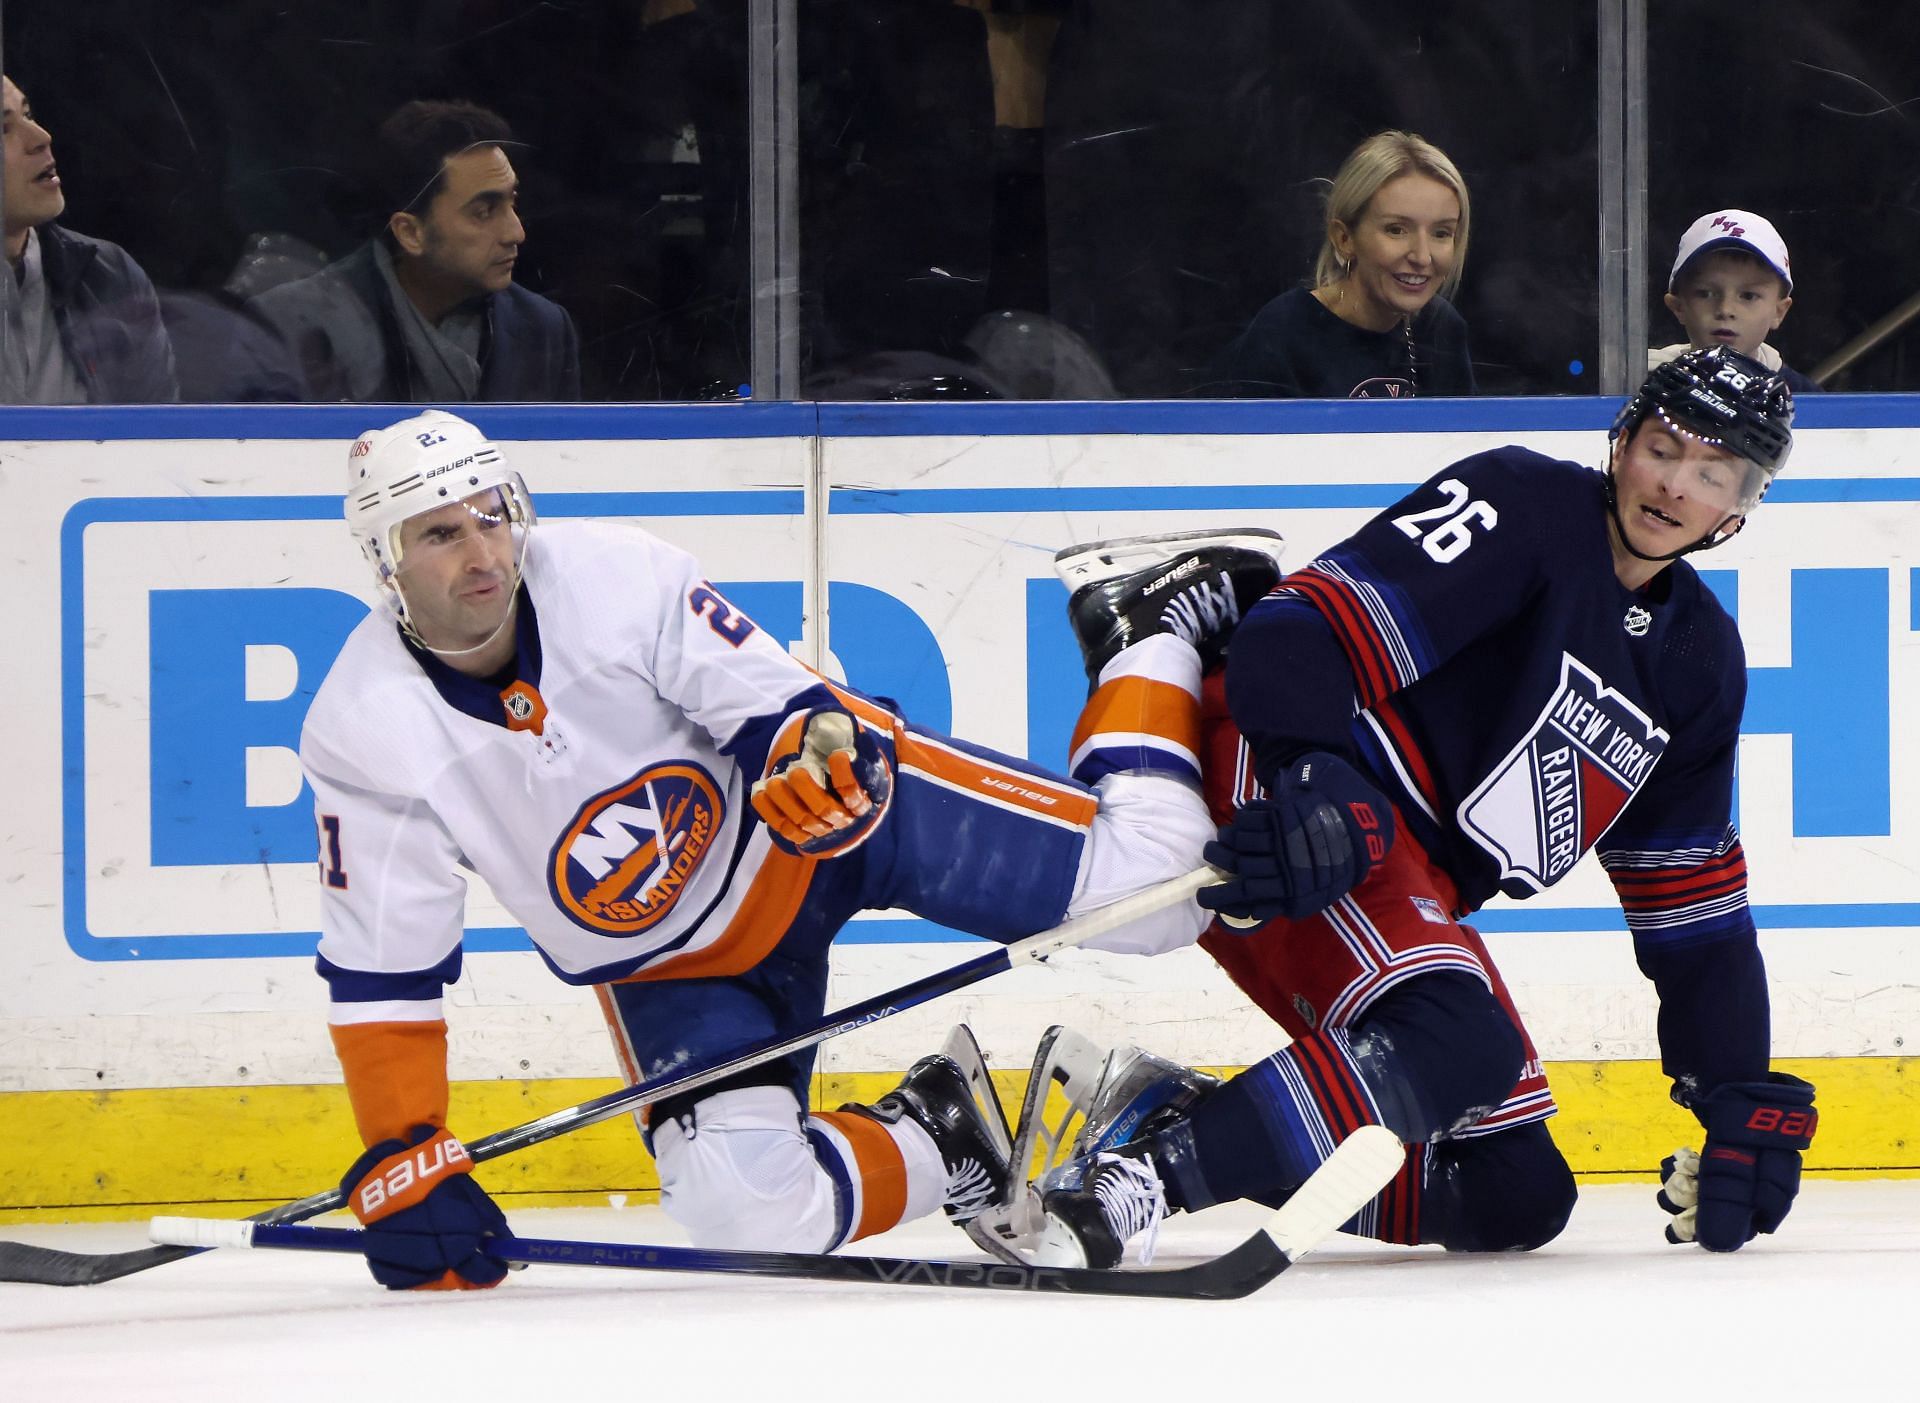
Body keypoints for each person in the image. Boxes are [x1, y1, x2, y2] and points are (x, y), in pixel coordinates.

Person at [301, 409, 1284, 1291]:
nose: (482, 548)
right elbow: (385, 970)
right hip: (683, 965)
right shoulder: (362, 727)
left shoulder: (609, 573)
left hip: (831, 831)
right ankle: (946, 1134)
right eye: (439, 531)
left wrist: (812, 755)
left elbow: (780, 703)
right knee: (744, 1209)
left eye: (492, 512)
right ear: (385, 560)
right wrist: (404, 1149)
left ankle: (1142, 629)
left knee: (1163, 897)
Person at [1029, 346, 1817, 1269]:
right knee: (1453, 1037)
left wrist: (1734, 1090)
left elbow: (1695, 912)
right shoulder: (1525, 504)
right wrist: (1314, 770)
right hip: (1291, 792)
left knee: (1513, 1191)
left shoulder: (1696, 664)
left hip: (1409, 876)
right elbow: (1299, 629)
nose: (1675, 484)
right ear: (1623, 439)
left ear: (1741, 505)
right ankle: (1135, 1180)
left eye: (1713, 470)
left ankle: (1174, 1119)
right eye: (1663, 446)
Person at [249, 101, 579, 403]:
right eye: (484, 212)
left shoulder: (542, 327)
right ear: (410, 233)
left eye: (513, 202)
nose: (516, 232)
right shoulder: (289, 327)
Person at [1202, 130, 1475, 399]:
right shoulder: (1283, 333)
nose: (1422, 257)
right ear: (1344, 238)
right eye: (1396, 230)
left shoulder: (1443, 328)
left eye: (1441, 233)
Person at [1, 75, 178, 403]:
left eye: (28, 115)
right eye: (4, 129)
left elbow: (157, 445)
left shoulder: (108, 276)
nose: (41, 138)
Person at [1653, 208, 1819, 394]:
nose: (1725, 310)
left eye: (1748, 296)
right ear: (1677, 307)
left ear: (1779, 311)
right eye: (1706, 294)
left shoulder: (1802, 396)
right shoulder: (1642, 385)